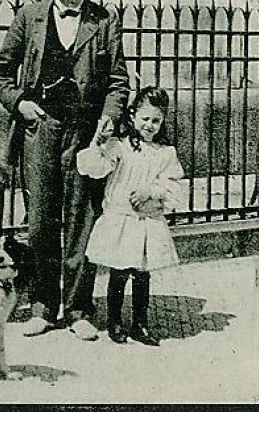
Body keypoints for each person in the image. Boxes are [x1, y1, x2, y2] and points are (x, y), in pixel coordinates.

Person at [0, 0, 130, 340]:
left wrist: (109, 118)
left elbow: (118, 82)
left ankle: (80, 309)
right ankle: (44, 305)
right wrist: (21, 104)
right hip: (41, 130)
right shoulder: (29, 17)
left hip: (85, 134)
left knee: (83, 220)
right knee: (41, 224)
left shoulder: (103, 21)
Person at [77, 86, 184, 346]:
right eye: (145, 118)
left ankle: (140, 323)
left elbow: (173, 184)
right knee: (119, 270)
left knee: (142, 272)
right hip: (121, 219)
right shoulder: (120, 147)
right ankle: (114, 321)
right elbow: (95, 168)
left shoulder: (164, 152)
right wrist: (99, 145)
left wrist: (152, 190)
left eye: (156, 120)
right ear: (133, 115)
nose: (150, 125)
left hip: (146, 220)